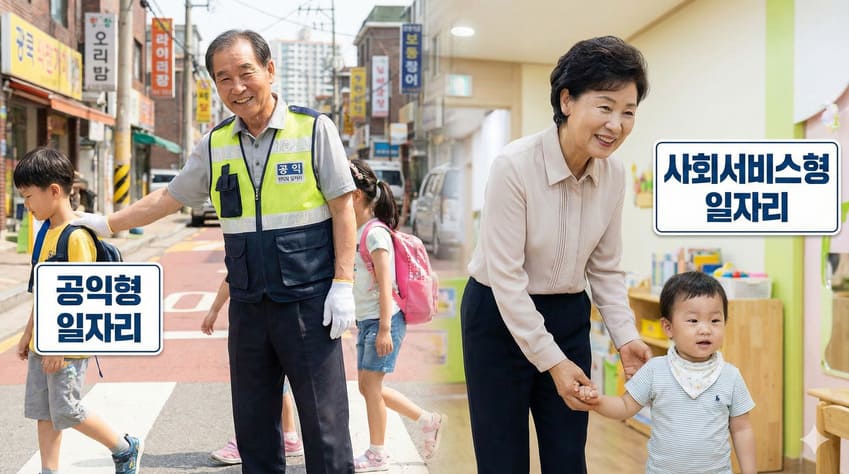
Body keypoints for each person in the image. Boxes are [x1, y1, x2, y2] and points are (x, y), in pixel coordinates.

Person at [74, 29, 357, 473]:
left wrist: (343, 283)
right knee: (253, 428)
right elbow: (169, 198)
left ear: (269, 70)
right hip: (248, 307)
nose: (237, 87)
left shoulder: (313, 129)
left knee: (325, 426)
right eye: (223, 78)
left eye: (246, 73)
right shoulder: (216, 143)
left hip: (309, 302)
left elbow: (343, 209)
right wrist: (107, 222)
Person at [459, 35, 653, 474]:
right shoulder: (514, 166)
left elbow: (604, 268)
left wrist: (626, 337)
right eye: (605, 107)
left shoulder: (614, 174)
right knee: (502, 457)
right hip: (496, 319)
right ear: (567, 100)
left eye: (628, 113)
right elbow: (507, 279)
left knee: (567, 457)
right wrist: (552, 363)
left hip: (566, 316)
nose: (616, 125)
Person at [14, 147, 140, 474]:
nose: (26, 206)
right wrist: (28, 334)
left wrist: (63, 347)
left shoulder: (77, 237)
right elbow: (42, 291)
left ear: (54, 191)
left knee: (67, 410)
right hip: (45, 341)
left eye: (29, 197)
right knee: (44, 412)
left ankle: (124, 448)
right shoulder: (46, 234)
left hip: (67, 343)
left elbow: (84, 298)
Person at [578, 272, 756, 474]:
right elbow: (625, 405)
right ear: (668, 327)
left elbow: (742, 429)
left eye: (715, 320)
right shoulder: (655, 370)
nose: (705, 329)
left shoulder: (730, 376)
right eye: (693, 321)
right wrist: (597, 402)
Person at [347, 160, 445, 472]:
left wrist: (385, 328)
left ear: (357, 197)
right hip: (368, 321)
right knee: (367, 387)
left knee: (371, 388)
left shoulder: (375, 234)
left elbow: (387, 283)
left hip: (382, 321)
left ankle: (378, 452)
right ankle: (427, 420)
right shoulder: (361, 230)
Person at [201, 277, 305, 464]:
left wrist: (214, 310)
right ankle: (289, 436)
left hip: (267, 312)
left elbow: (231, 278)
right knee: (278, 385)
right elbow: (231, 277)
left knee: (257, 388)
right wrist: (214, 310)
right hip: (274, 310)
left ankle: (248, 441)